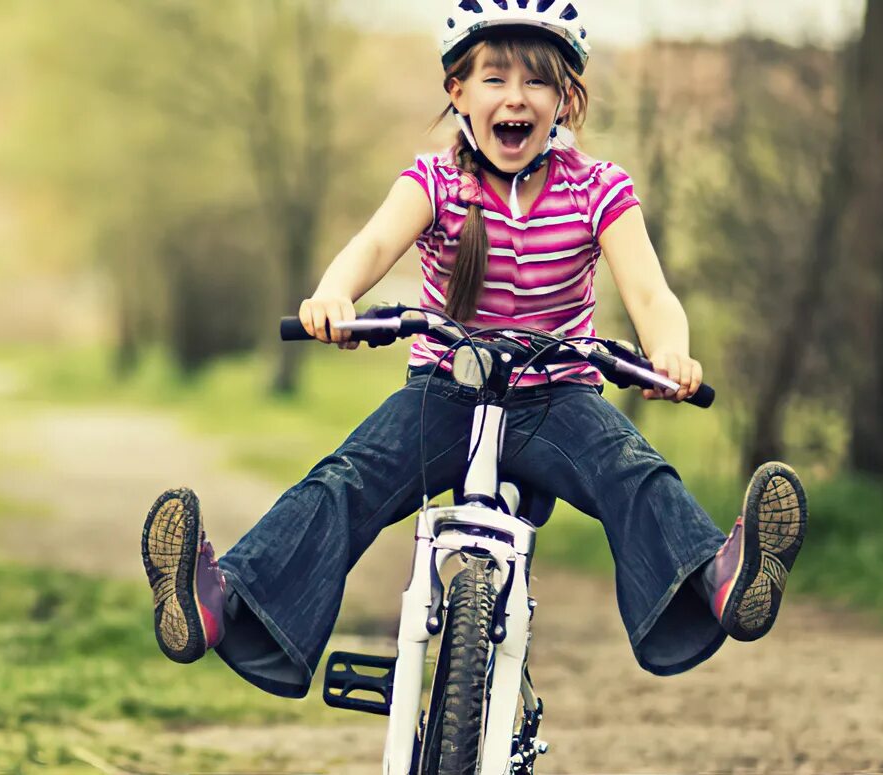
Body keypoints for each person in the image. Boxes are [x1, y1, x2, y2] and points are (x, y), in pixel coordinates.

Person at [140, 1, 808, 699]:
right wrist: (332, 295)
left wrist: (670, 352)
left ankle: (719, 579)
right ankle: (223, 602)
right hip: (446, 391)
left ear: (566, 100)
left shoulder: (598, 189)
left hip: (559, 400)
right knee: (346, 479)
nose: (515, 97)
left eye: (537, 82)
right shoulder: (433, 182)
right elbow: (371, 245)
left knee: (632, 471)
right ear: (457, 92)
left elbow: (649, 292)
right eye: (494, 78)